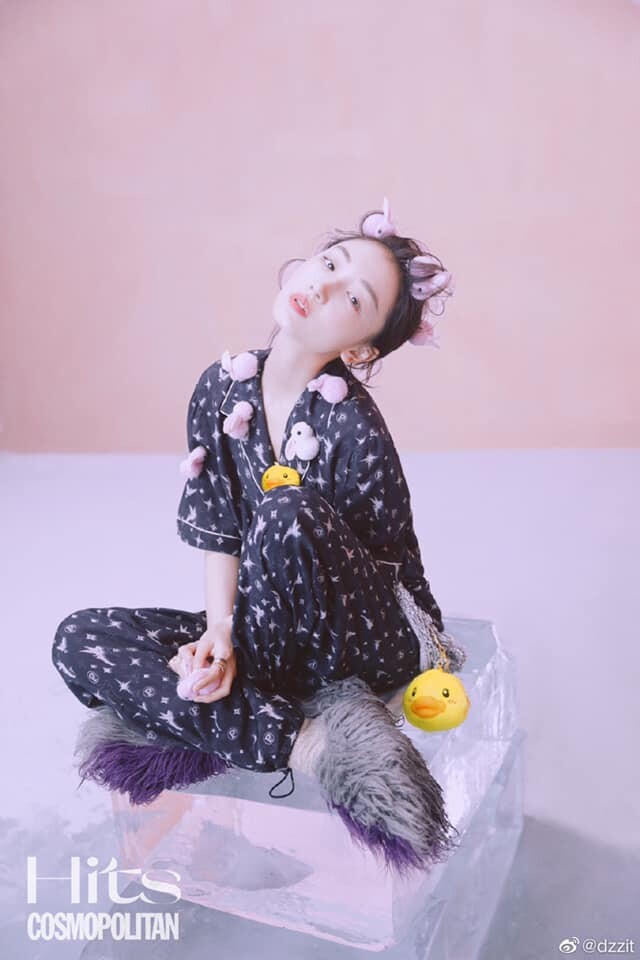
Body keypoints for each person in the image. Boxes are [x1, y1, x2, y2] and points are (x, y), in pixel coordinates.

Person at [52, 198, 467, 873]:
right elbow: (219, 529)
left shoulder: (353, 426)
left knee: (286, 510)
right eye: (328, 264)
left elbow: (374, 573)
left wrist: (244, 639)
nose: (322, 287)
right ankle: (301, 742)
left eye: (352, 297)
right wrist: (218, 635)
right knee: (80, 636)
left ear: (360, 348)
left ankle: (236, 712)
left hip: (364, 636)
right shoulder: (220, 389)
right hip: (262, 627)